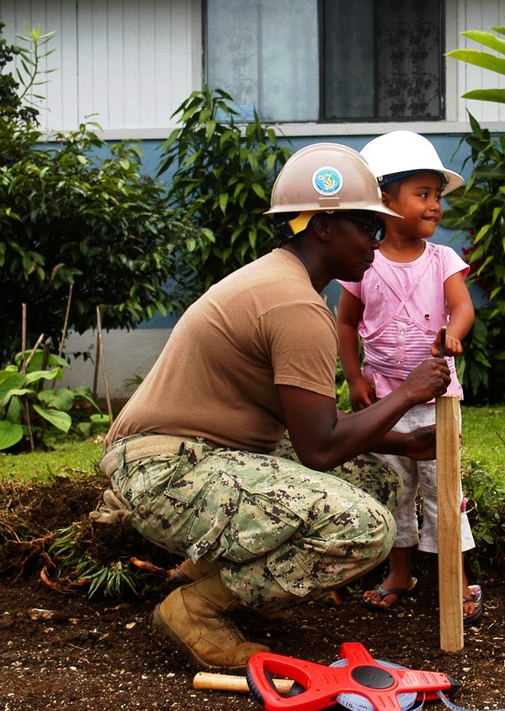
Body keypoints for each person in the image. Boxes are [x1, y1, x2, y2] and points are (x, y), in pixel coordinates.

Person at [95, 142, 451, 674]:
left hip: (187, 456)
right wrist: (407, 394)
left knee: (376, 480)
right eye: (368, 228)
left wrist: (403, 443)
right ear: (324, 226)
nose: (376, 245)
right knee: (362, 526)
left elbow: (315, 429)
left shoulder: (281, 281)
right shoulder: (294, 306)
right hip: (166, 471)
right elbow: (320, 448)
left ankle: (203, 574)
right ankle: (195, 608)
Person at [336, 130, 481, 622]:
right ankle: (399, 571)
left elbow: (463, 309)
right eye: (423, 194)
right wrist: (355, 380)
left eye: (437, 196)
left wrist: (452, 334)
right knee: (394, 487)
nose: (435, 206)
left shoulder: (443, 260)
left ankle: (455, 578)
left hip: (438, 398)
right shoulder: (363, 261)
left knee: (444, 487)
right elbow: (346, 322)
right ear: (384, 199)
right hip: (383, 400)